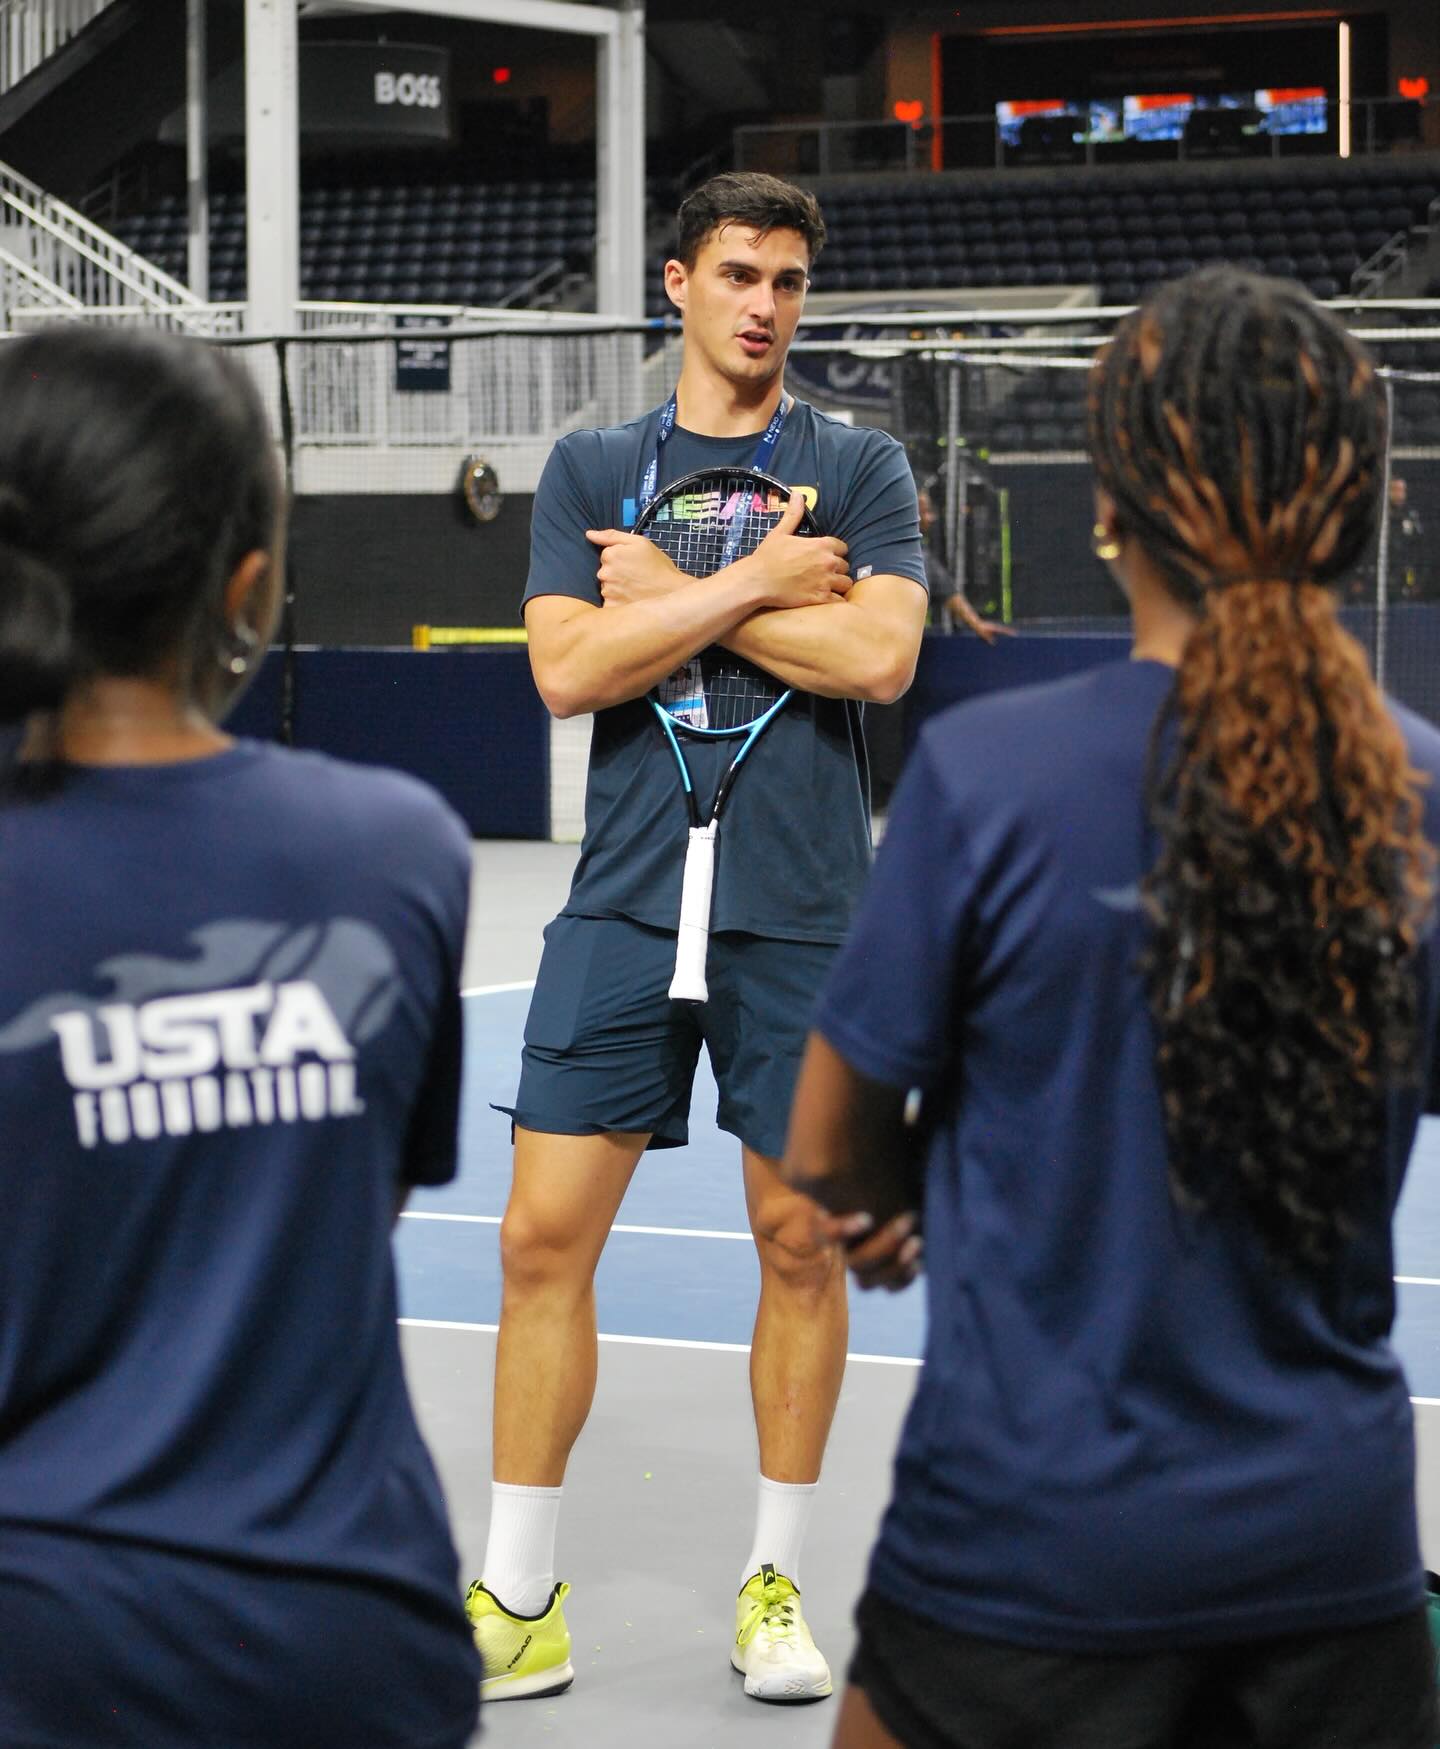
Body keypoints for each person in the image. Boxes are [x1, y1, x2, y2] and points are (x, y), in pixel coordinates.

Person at [782, 267, 1440, 1749]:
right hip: (1334, 1564)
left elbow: (826, 1138)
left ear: (1107, 511)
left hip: (1019, 1551)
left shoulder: (986, 780)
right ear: (1358, 511)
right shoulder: (1418, 797)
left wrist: (898, 1197)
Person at [470, 170, 929, 1704]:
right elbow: (566, 672)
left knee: (799, 1243)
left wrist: (671, 598)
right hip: (621, 904)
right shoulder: (592, 461)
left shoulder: (860, 464)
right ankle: (518, 1592)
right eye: (739, 274)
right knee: (542, 1238)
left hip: (802, 914)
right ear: (679, 283)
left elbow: (875, 655)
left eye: (790, 281)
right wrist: (746, 583)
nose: (765, 306)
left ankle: (773, 1587)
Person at [0, 327, 482, 1749]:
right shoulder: (397, 851)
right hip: (353, 1639)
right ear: (249, 586)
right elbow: (364, 1188)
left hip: (44, 1651)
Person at [916, 480, 1012, 643]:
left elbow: (948, 591)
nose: (930, 518)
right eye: (924, 512)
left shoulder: (922, 554)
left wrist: (977, 624)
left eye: (929, 511)